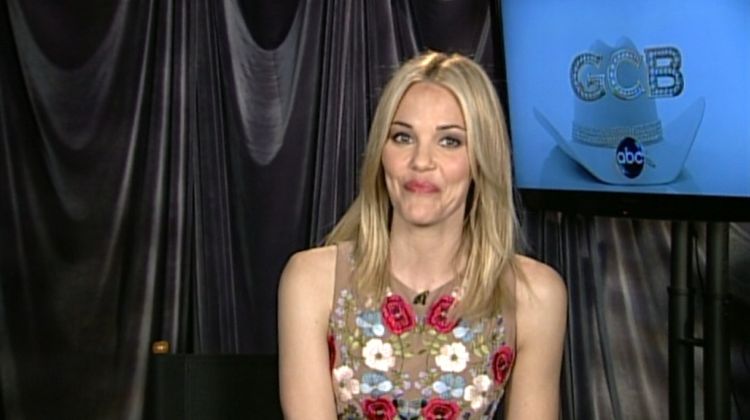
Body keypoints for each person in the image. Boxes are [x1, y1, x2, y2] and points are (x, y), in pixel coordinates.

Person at [278, 51, 567, 419]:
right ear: (380, 153)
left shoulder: (534, 295)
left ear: (481, 159)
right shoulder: (311, 281)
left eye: (449, 141)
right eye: (403, 137)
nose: (420, 162)